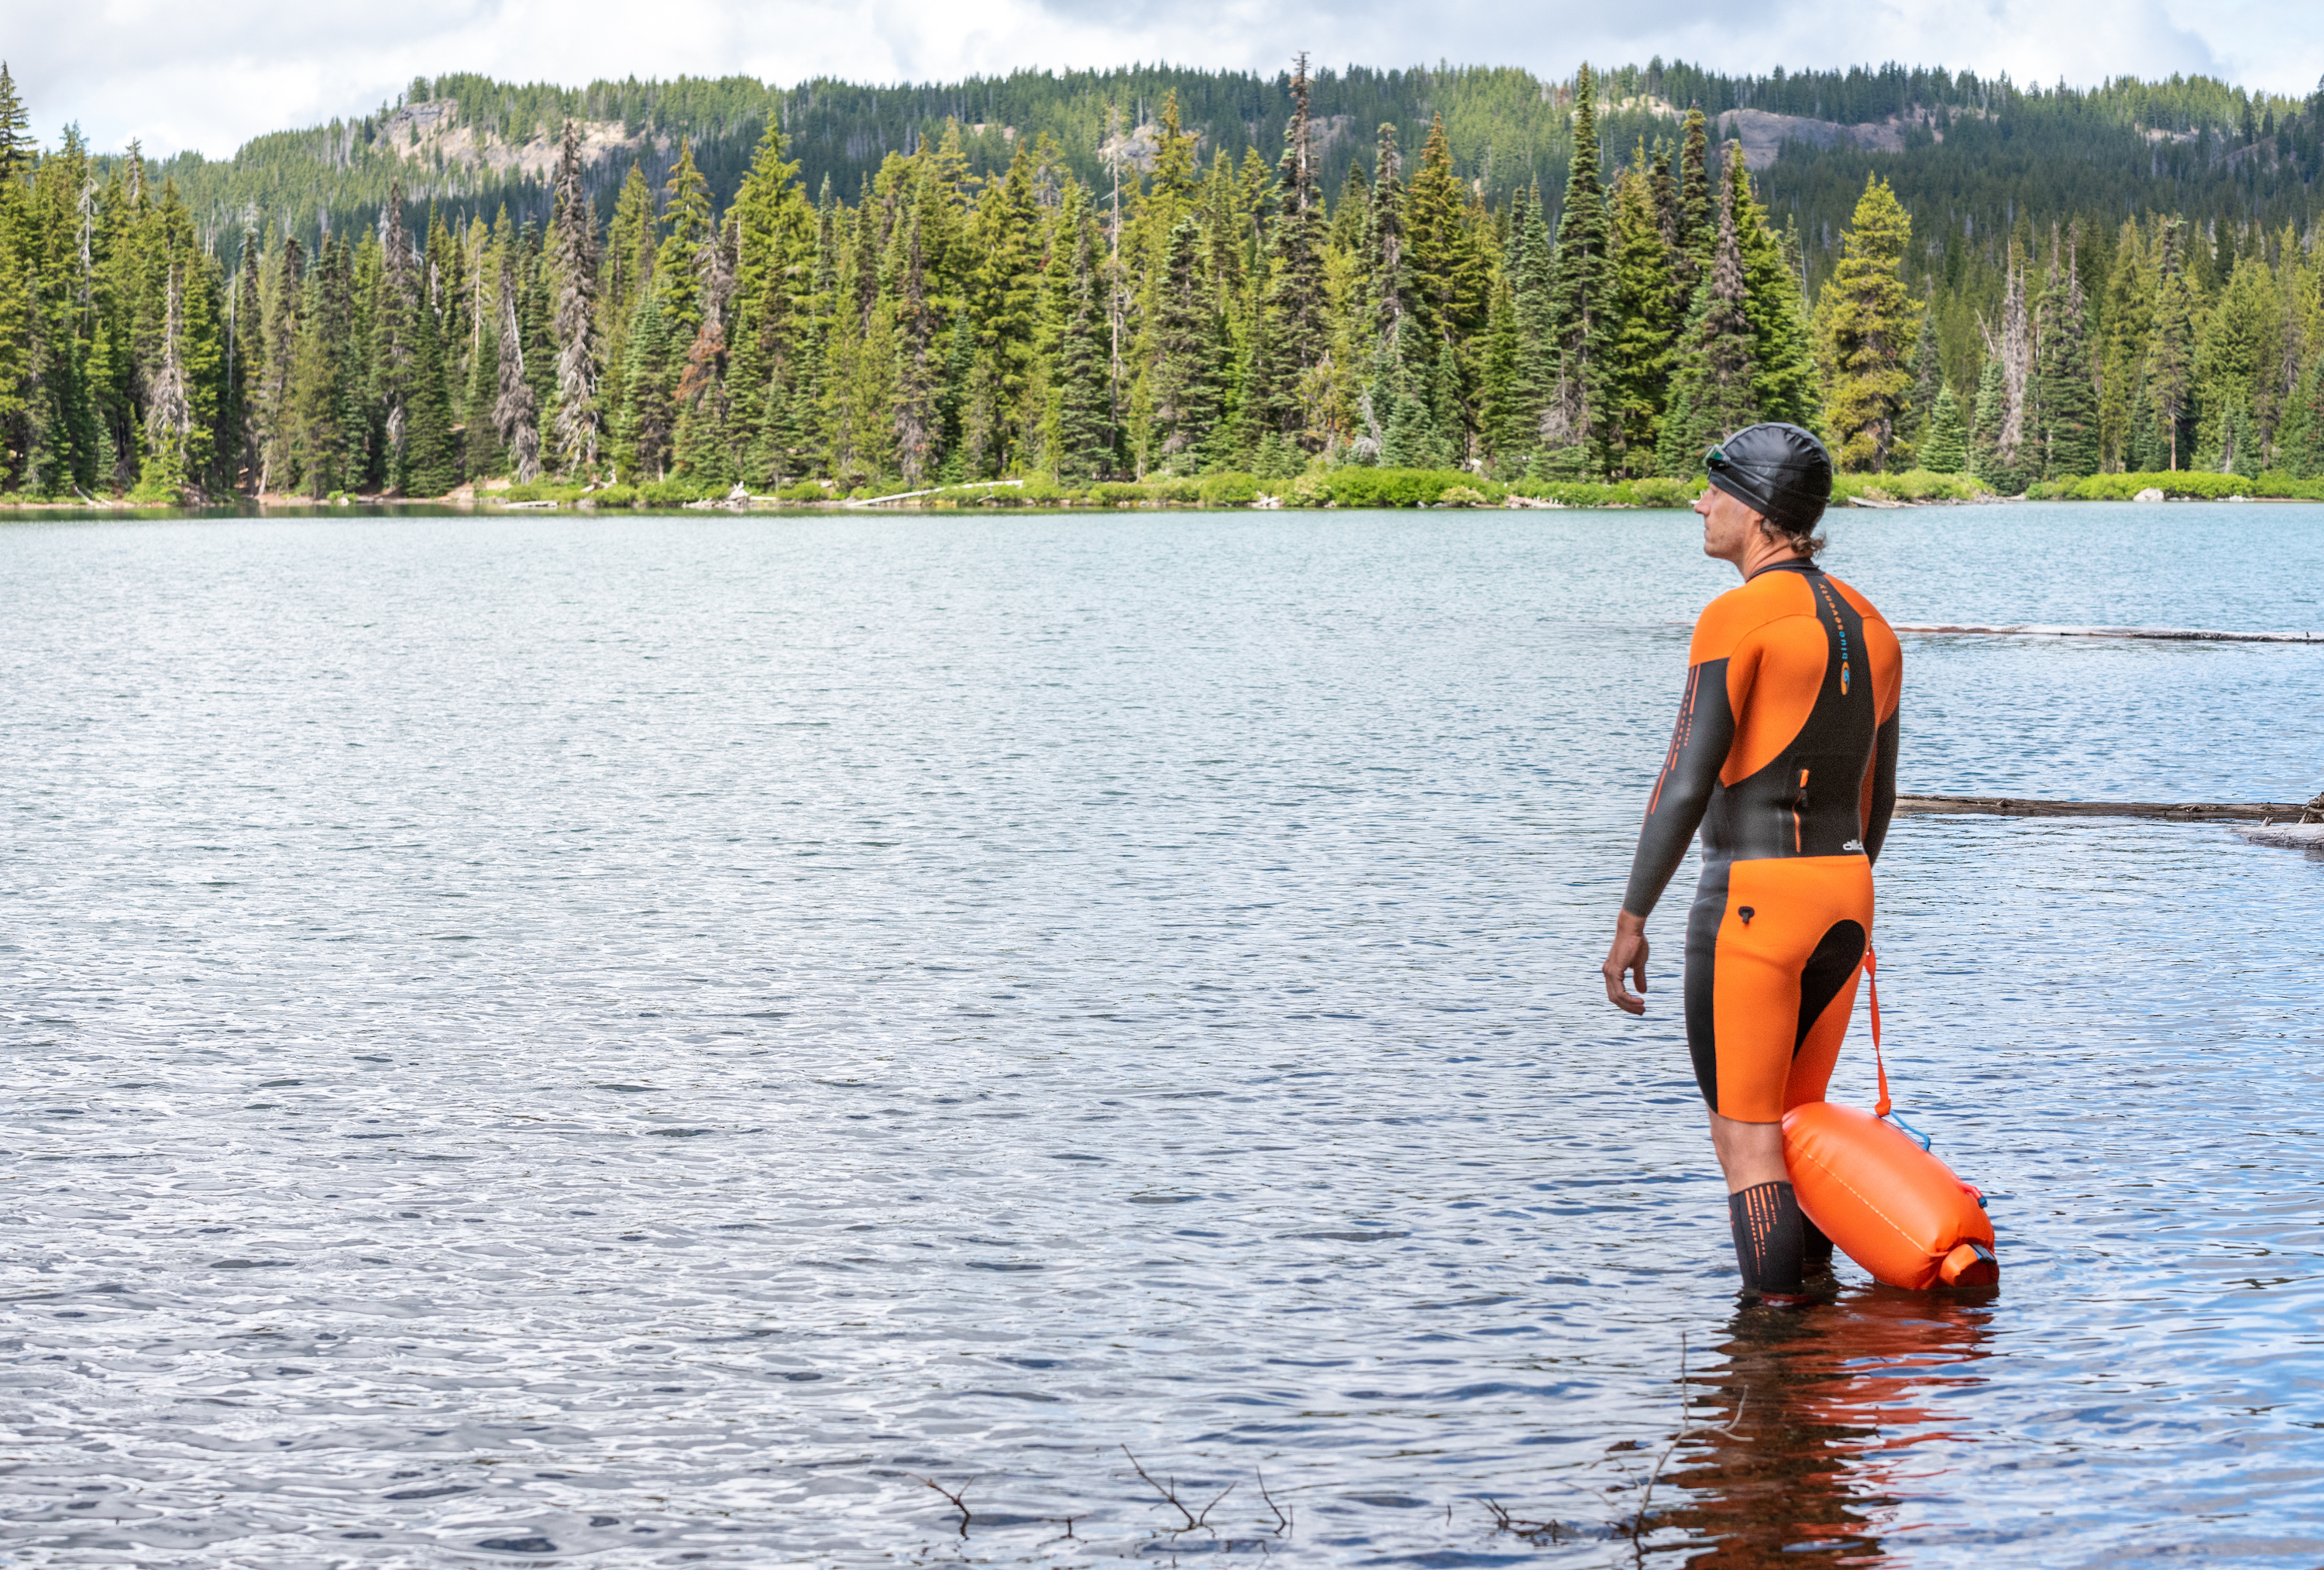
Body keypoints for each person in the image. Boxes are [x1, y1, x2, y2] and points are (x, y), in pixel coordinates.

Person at [1600, 423, 1901, 1304]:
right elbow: (1878, 798)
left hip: (1753, 903)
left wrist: (1631, 918)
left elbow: (1684, 778)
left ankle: (1770, 1369)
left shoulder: (1736, 616)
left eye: (1714, 488)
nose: (1700, 502)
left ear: (1760, 512)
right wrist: (1840, 888)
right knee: (1800, 1124)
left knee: (1748, 1138)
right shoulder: (1873, 626)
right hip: (1846, 896)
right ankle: (1814, 1319)